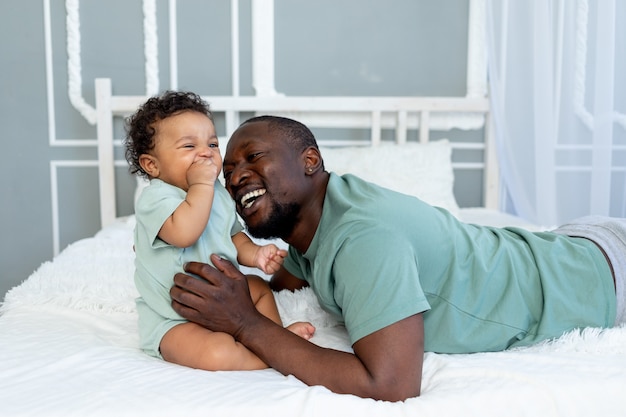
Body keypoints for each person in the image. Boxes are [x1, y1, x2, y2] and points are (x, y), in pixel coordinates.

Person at [168, 115, 626, 401]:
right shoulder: (316, 219)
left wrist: (247, 324)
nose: (235, 177)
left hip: (601, 273)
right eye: (227, 171)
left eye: (254, 157)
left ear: (310, 161)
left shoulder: (364, 238)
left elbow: (390, 385)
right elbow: (289, 278)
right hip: (565, 246)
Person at [124, 96, 315, 371]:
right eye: (189, 146)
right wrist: (201, 185)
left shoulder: (218, 194)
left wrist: (257, 255)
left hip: (227, 297)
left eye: (212, 144)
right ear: (152, 165)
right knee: (217, 353)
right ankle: (267, 358)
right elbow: (184, 233)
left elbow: (235, 237)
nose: (205, 152)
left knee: (260, 289)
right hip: (176, 316)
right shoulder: (156, 198)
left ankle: (274, 338)